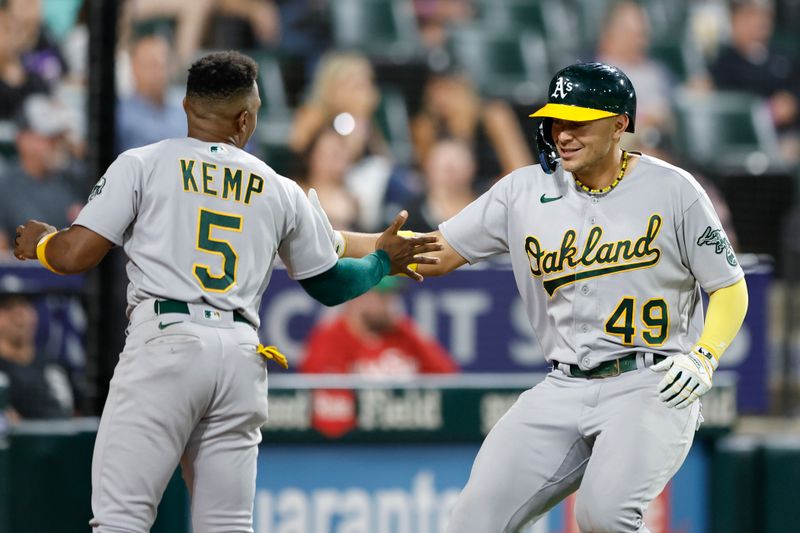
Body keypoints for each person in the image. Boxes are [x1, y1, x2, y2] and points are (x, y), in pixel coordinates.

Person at [13, 50, 440, 532]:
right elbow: (330, 283)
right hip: (240, 355)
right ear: (244, 118)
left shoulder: (144, 163)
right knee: (228, 526)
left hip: (166, 342)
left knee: (121, 520)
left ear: (188, 107)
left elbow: (74, 256)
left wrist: (43, 244)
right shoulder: (279, 188)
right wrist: (382, 261)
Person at [318, 62, 749, 532]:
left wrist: (704, 357)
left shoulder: (673, 190)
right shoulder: (523, 191)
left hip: (650, 383)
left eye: (578, 120)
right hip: (563, 386)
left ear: (619, 124)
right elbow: (432, 253)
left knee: (603, 517)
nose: (562, 133)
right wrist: (338, 241)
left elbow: (729, 285)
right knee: (471, 521)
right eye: (556, 119)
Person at [301, 276, 457, 376]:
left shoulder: (402, 333)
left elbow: (447, 376)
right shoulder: (330, 338)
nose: (390, 304)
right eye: (382, 297)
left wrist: (412, 331)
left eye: (391, 296)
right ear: (357, 295)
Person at [709, 0, 800, 164]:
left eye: (764, 16)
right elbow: (730, 109)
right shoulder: (723, 64)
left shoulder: (785, 56)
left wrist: (792, 102)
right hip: (745, 143)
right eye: (750, 16)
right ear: (734, 21)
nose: (759, 23)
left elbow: (793, 93)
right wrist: (770, 112)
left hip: (789, 135)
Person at [0, 95, 83, 246]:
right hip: (25, 268)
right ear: (23, 140)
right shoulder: (5, 188)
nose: (56, 145)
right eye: (48, 139)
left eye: (58, 138)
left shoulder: (73, 180)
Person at [0, 293, 73, 420]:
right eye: (8, 307)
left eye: (25, 305)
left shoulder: (51, 367)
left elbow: (65, 420)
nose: (19, 315)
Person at [116, 34, 186, 153]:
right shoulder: (119, 115)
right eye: (152, 65)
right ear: (134, 67)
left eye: (163, 64)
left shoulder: (184, 114)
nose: (159, 72)